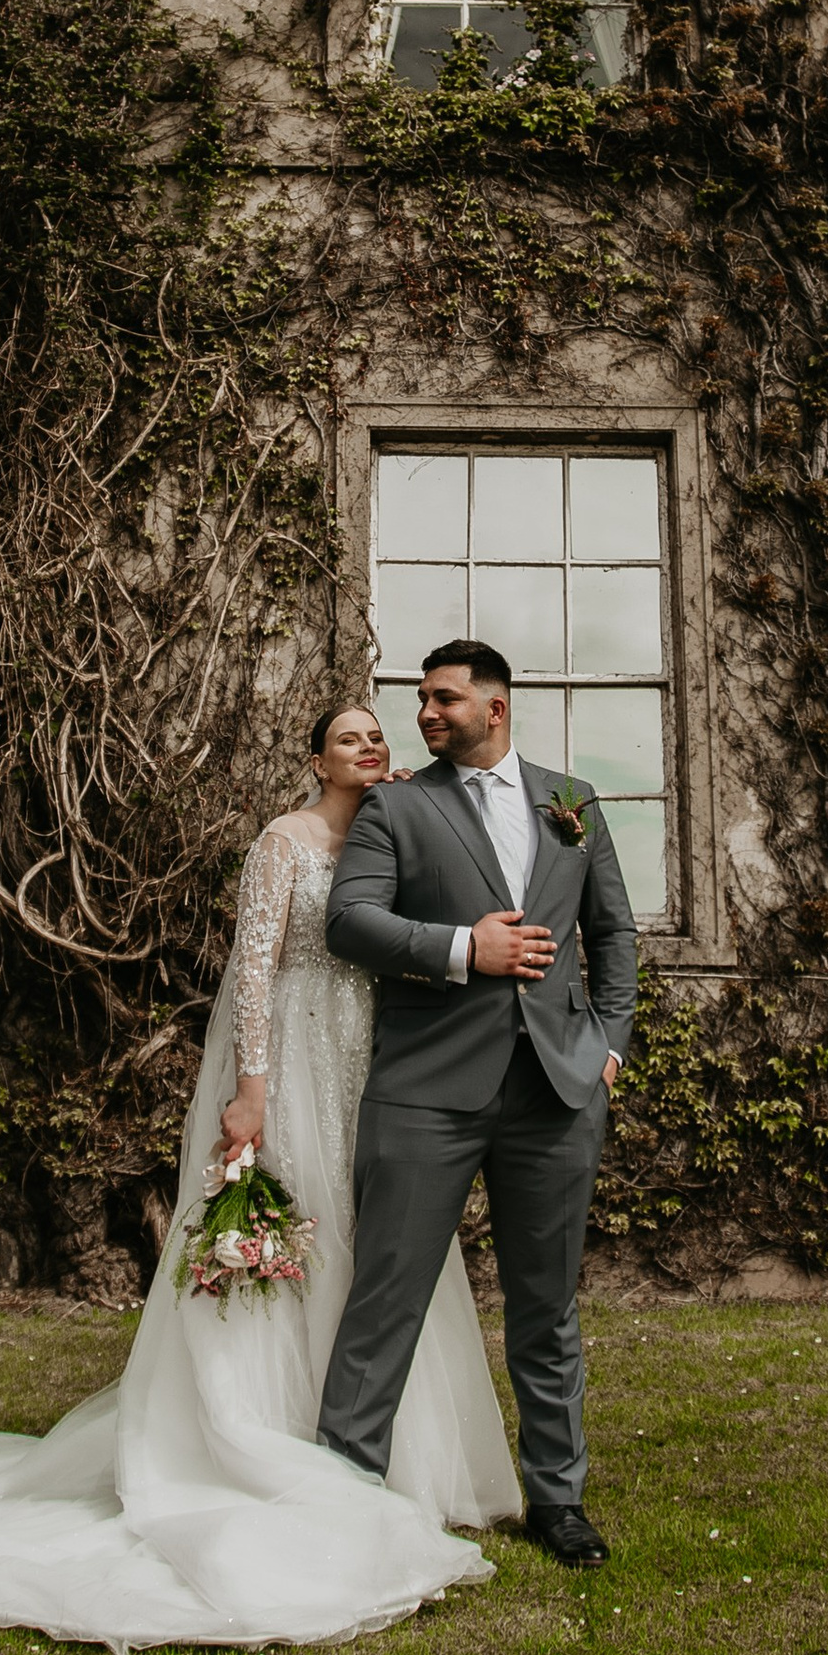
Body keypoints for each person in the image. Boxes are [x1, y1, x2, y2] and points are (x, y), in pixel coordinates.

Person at [0, 702, 518, 1653]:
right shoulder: (286, 842)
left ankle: (396, 1461)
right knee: (306, 1236)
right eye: (349, 737)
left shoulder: (396, 829)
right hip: (302, 1058)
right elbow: (256, 970)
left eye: (376, 735)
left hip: (376, 1059)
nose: (370, 746)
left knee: (383, 1240)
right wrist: (253, 1089)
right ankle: (266, 1439)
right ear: (315, 758)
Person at [319, 639, 639, 1569]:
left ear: (495, 707)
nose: (424, 712)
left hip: (557, 1092)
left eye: (443, 698)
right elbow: (350, 920)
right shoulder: (396, 805)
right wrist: (467, 948)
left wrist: (609, 1047)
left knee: (548, 1308)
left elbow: (614, 934)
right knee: (385, 1303)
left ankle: (559, 1498)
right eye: (420, 698)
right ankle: (346, 1493)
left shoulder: (571, 801)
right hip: (426, 1092)